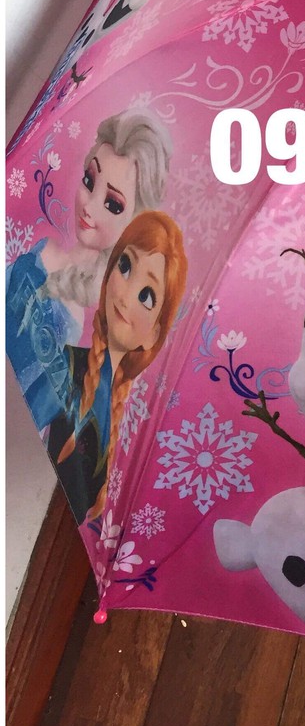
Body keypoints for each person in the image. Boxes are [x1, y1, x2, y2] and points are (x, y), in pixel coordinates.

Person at [6, 109, 172, 407]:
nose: (89, 206)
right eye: (89, 180)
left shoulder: (77, 319)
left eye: (113, 204)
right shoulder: (43, 249)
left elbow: (31, 394)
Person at [41, 211, 188, 523]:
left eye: (147, 295)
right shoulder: (62, 365)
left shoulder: (129, 429)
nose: (125, 295)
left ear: (153, 334)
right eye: (125, 265)